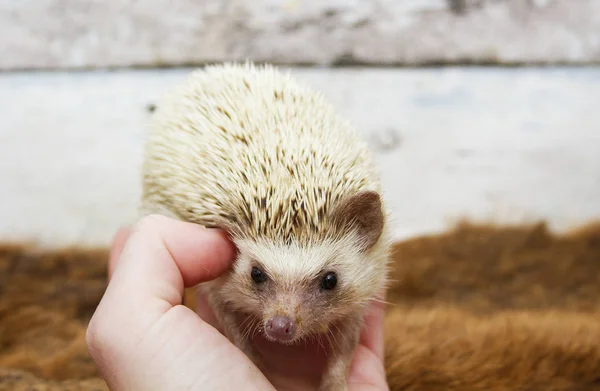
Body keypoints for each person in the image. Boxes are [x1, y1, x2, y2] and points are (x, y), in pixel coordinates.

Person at [86, 214, 389, 390]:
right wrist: (244, 350)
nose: (284, 317)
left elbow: (357, 309)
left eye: (327, 282)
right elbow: (214, 288)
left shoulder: (366, 277)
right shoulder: (221, 262)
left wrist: (337, 375)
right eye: (259, 276)